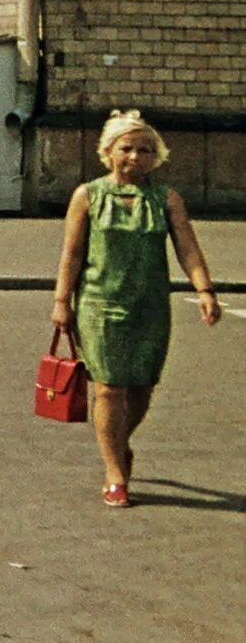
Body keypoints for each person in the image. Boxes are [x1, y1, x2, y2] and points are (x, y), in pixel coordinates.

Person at [51, 111, 222, 508]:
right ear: (108, 152)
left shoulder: (166, 199)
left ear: (156, 156)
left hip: (149, 307)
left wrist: (205, 289)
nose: (135, 157)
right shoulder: (87, 196)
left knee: (142, 388)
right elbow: (72, 252)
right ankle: (115, 473)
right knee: (109, 388)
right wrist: (62, 301)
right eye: (126, 148)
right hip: (99, 304)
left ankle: (117, 442)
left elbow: (187, 248)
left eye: (145, 150)